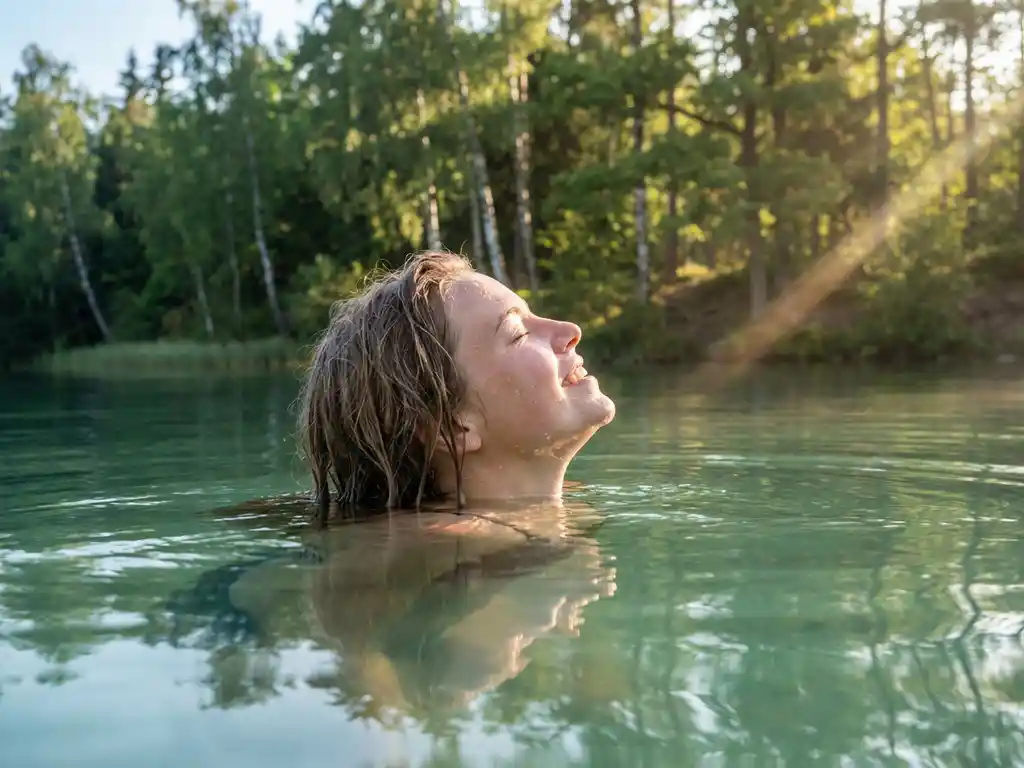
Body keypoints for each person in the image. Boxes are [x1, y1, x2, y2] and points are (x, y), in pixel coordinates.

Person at [296, 248, 617, 521]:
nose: (570, 330)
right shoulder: (446, 551)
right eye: (518, 332)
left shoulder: (544, 516)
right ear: (452, 425)